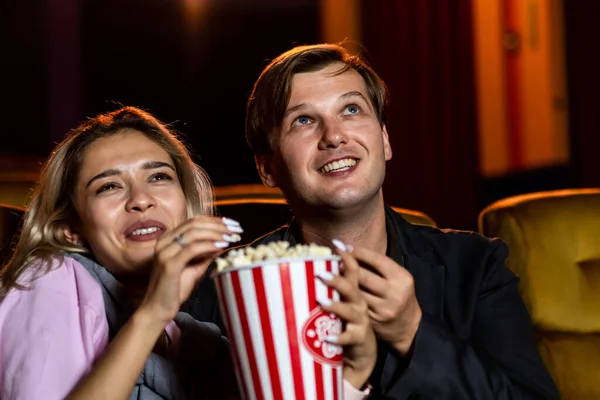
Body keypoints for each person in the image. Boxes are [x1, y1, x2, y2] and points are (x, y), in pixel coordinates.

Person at [189, 44, 561, 399]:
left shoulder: (477, 267)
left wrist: (412, 332)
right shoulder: (225, 288)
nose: (334, 136)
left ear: (384, 140)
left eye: (351, 110)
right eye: (303, 120)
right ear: (267, 167)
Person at [0, 106, 376, 400]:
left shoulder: (192, 334)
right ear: (72, 228)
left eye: (159, 176)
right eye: (109, 186)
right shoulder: (50, 278)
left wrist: (351, 376)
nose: (141, 200)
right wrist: (153, 313)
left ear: (185, 203)